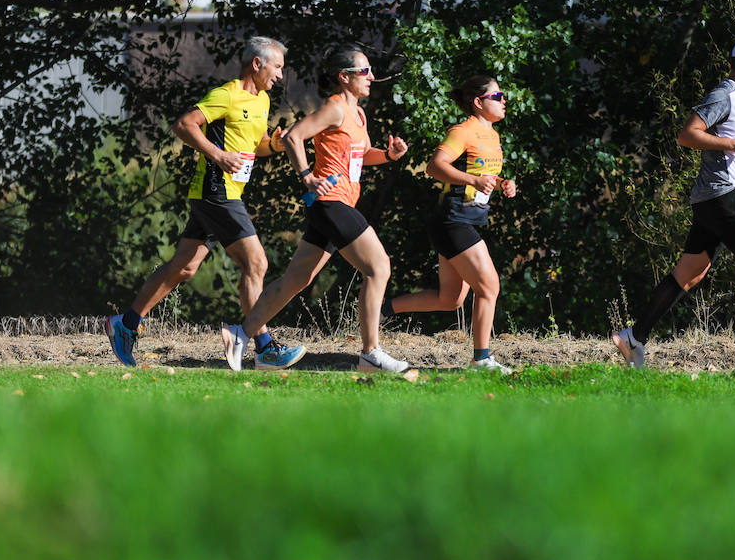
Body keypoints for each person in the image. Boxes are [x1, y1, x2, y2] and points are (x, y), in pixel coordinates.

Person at [105, 36, 305, 372]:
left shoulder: (262, 100)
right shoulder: (225, 95)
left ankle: (125, 324)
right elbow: (184, 125)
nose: (281, 76)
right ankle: (264, 345)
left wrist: (275, 143)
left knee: (185, 266)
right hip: (216, 192)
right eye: (277, 67)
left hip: (223, 194)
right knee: (256, 264)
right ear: (257, 64)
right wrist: (216, 153)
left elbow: (255, 146)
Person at [220, 46, 413, 375]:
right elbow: (295, 137)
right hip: (330, 203)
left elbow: (360, 155)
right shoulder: (334, 109)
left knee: (296, 279)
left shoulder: (359, 115)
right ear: (344, 77)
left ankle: (240, 334)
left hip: (336, 205)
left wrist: (389, 155)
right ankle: (371, 354)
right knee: (379, 267)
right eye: (364, 71)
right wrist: (308, 176)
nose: (371, 77)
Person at [613, 36, 735, 373]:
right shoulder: (724, 95)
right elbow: (687, 134)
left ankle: (634, 337)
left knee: (691, 271)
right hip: (721, 193)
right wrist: (732, 142)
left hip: (716, 197)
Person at [384, 74, 517, 373]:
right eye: (497, 96)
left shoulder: (492, 136)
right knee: (489, 286)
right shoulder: (463, 131)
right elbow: (435, 166)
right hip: (452, 221)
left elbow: (481, 176)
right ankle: (481, 359)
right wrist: (474, 180)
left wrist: (502, 184)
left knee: (450, 299)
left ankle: (381, 310)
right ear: (478, 103)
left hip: (463, 220)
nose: (504, 100)